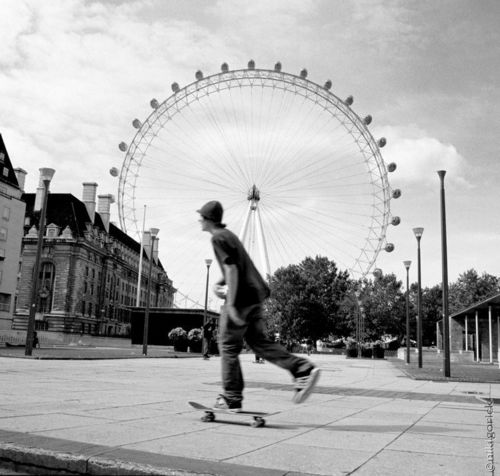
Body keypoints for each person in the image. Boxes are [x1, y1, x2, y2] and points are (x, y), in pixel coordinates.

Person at [198, 200, 320, 412]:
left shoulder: (218, 238)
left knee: (227, 346)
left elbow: (233, 270)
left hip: (241, 299)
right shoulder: (231, 237)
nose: (199, 220)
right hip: (256, 296)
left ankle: (231, 397)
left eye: (201, 216)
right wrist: (220, 283)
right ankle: (302, 369)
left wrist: (233, 305)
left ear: (208, 219)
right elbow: (238, 266)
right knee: (259, 343)